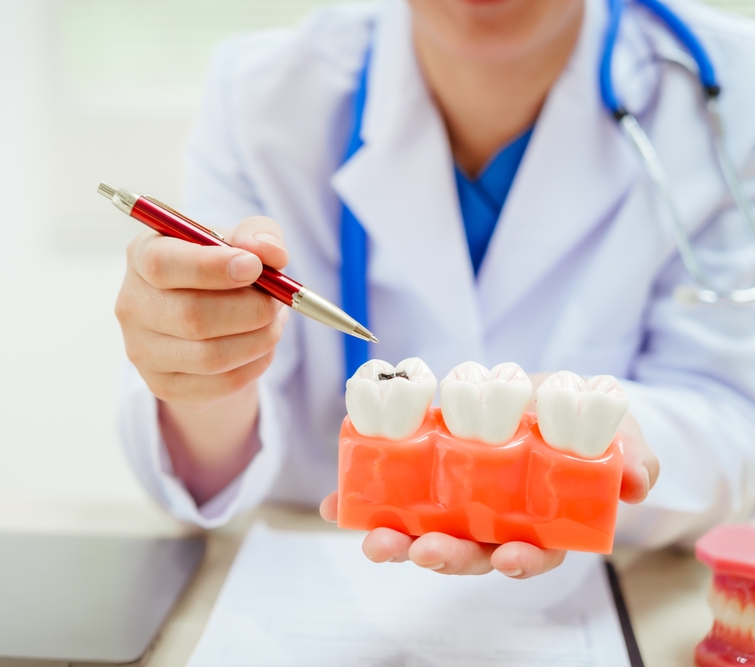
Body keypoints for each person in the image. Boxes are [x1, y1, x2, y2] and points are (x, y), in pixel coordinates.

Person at [114, 0, 755, 578]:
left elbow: (731, 416)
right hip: (330, 583)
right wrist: (200, 366)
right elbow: (210, 459)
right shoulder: (261, 95)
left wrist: (600, 446)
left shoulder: (732, 87)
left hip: (612, 591)